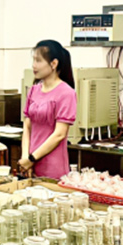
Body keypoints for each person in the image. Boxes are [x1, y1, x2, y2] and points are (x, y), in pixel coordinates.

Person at [20, 40, 77, 180]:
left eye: (38, 61)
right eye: (33, 60)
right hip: (30, 164)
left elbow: (59, 134)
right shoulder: (33, 90)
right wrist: (25, 158)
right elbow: (27, 126)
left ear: (54, 63)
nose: (34, 65)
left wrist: (32, 158)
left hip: (52, 168)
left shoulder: (66, 93)